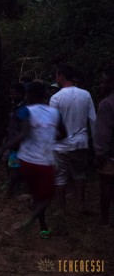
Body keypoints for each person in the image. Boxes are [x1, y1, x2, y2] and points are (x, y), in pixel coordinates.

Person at [0, 81, 67, 238]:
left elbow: (23, 134)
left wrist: (2, 148)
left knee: (37, 196)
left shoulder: (25, 111)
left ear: (28, 95)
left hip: (26, 161)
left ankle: (43, 227)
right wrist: (51, 135)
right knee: (46, 196)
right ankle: (31, 221)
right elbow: (64, 134)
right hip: (44, 162)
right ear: (45, 94)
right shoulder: (55, 113)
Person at [49, 64, 96, 215]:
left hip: (60, 145)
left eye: (56, 75)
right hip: (80, 142)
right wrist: (95, 143)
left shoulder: (56, 98)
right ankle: (80, 205)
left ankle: (61, 209)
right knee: (79, 174)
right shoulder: (86, 94)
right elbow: (93, 120)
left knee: (60, 176)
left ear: (61, 76)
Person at [93, 68, 114, 226]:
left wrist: (100, 154)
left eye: (104, 81)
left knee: (106, 184)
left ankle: (104, 219)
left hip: (110, 154)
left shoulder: (106, 104)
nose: (101, 85)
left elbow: (103, 133)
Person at [1, 82, 26, 198]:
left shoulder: (24, 109)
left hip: (18, 143)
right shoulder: (15, 107)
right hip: (12, 141)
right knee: (9, 163)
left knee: (14, 167)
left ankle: (10, 191)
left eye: (14, 94)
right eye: (11, 94)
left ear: (21, 94)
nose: (12, 96)